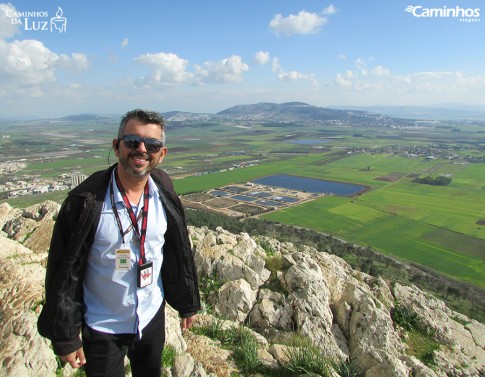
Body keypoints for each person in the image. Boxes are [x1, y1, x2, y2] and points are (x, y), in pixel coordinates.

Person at [38, 109, 201, 377]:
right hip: (103, 324)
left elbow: (176, 251)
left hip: (151, 318)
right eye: (131, 141)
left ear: (162, 154)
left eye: (152, 144)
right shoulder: (85, 201)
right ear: (116, 147)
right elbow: (63, 271)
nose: (141, 149)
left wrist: (187, 303)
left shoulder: (165, 191)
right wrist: (67, 336)